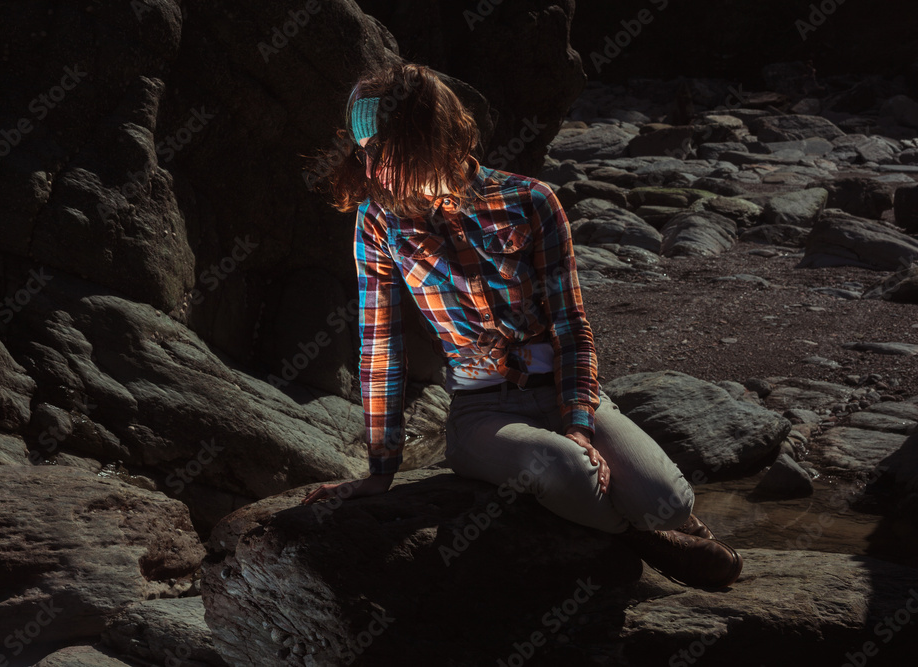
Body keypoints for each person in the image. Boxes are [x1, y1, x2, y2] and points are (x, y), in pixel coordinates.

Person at [302, 61, 743, 588]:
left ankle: (668, 522)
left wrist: (579, 419)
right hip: (481, 412)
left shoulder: (531, 200)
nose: (372, 167)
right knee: (567, 472)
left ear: (429, 137)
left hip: (565, 391)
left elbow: (570, 323)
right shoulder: (378, 221)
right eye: (365, 151)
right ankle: (645, 540)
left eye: (384, 150)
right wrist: (380, 470)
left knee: (668, 499)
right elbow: (380, 344)